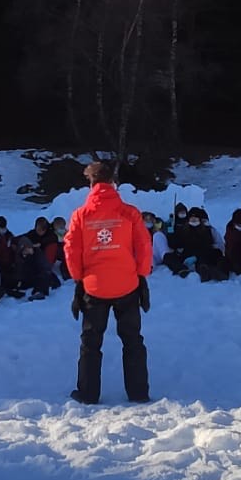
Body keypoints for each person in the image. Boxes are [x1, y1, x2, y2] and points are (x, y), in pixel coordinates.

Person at [66, 160, 152, 405]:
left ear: (91, 183)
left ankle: (88, 393)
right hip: (127, 285)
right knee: (132, 340)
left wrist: (78, 279)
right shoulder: (129, 212)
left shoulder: (81, 215)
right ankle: (138, 392)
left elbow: (71, 250)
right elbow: (144, 245)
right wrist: (141, 275)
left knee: (90, 343)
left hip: (94, 288)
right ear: (113, 182)